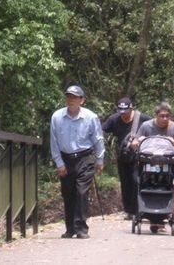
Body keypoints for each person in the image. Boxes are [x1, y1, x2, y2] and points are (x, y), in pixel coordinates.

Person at [49, 85, 105, 239]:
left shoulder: (91, 117)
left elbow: (98, 139)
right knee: (68, 194)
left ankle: (81, 227)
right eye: (69, 96)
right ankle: (70, 228)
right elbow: (53, 142)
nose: (71, 100)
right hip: (66, 158)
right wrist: (59, 163)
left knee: (81, 191)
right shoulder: (57, 117)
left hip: (85, 158)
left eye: (74, 97)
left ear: (82, 100)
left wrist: (100, 160)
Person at [133, 102, 174, 233]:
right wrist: (138, 142)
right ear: (156, 115)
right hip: (148, 163)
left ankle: (164, 214)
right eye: (162, 116)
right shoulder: (146, 126)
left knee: (167, 185)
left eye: (167, 116)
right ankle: (150, 215)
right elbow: (135, 143)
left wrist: (173, 143)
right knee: (145, 183)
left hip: (167, 164)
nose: (165, 119)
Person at [103, 97, 150, 221]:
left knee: (136, 181)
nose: (124, 115)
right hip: (123, 155)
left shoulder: (142, 118)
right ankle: (129, 210)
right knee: (125, 182)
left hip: (139, 156)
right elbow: (101, 129)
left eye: (126, 112)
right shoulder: (114, 119)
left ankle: (139, 209)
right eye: (121, 112)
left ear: (132, 108)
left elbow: (154, 126)